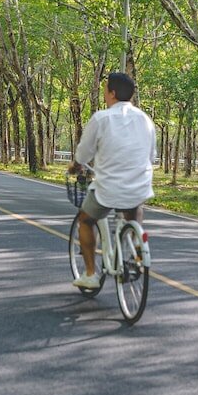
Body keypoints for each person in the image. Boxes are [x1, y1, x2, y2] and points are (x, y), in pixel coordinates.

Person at [67, 72, 156, 289]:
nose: (105, 93)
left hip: (108, 189)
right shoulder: (145, 120)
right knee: (134, 207)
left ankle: (90, 275)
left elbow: (83, 153)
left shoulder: (101, 118)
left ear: (112, 93)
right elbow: (151, 156)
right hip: (139, 186)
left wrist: (76, 165)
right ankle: (135, 245)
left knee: (85, 220)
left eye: (106, 89)